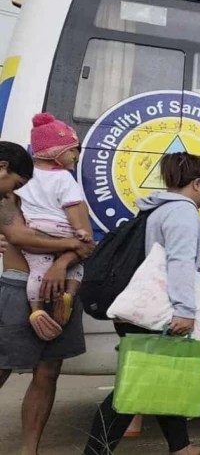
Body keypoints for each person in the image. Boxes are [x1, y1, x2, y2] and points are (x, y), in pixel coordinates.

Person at [83, 152, 200, 455]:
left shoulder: (156, 210)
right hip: (157, 313)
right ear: (197, 183)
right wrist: (185, 310)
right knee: (135, 389)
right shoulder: (182, 213)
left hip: (139, 308)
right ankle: (95, 452)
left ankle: (181, 447)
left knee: (161, 378)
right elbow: (180, 262)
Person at [0, 140, 96, 455]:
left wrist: (61, 263)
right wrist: (70, 244)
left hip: (61, 286)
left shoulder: (68, 190)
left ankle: (30, 451)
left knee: (48, 372)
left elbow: (87, 244)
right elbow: (17, 235)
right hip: (18, 285)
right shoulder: (9, 193)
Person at [17, 114, 93, 341]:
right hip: (64, 229)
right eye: (72, 151)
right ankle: (68, 295)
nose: (76, 157)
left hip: (36, 229)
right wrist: (81, 231)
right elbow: (72, 207)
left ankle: (36, 309)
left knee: (38, 271)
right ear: (56, 152)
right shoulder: (63, 178)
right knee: (77, 267)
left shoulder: (24, 176)